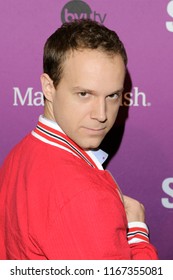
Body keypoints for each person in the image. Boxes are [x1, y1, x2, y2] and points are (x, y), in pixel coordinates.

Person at [0, 19, 158, 260]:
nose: (102, 115)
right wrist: (136, 231)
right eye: (84, 94)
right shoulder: (83, 193)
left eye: (113, 95)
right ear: (48, 87)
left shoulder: (19, 154)